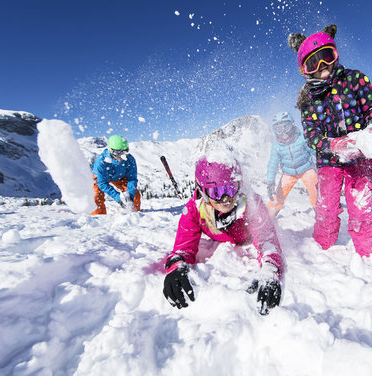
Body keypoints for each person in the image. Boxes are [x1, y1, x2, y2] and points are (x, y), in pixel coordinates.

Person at [287, 24, 372, 257]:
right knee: (326, 207)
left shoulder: (354, 80)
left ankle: (368, 254)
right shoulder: (307, 99)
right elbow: (311, 135)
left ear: (335, 54)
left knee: (360, 207)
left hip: (359, 155)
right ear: (305, 69)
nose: (323, 67)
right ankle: (322, 248)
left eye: (326, 57)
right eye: (314, 62)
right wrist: (331, 145)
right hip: (328, 160)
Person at [163, 152, 282, 315]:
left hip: (246, 238)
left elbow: (267, 241)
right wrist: (176, 266)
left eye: (230, 188)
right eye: (216, 193)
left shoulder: (253, 203)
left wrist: (270, 269)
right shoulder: (193, 210)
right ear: (203, 192)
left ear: (239, 185)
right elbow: (183, 248)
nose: (226, 199)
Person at [266, 111, 318, 218]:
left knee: (315, 189)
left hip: (306, 169)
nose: (283, 132)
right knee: (278, 196)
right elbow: (273, 164)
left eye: (286, 126)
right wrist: (270, 182)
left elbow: (314, 152)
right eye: (278, 129)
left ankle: (321, 212)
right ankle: (268, 216)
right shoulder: (277, 146)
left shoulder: (301, 138)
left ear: (292, 125)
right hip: (288, 173)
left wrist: (324, 163)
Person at [91, 135, 141, 215]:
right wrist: (118, 198)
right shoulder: (101, 161)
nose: (122, 156)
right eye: (118, 153)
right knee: (96, 195)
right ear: (111, 151)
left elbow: (132, 179)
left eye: (125, 152)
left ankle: (135, 214)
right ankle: (98, 217)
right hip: (101, 177)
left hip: (119, 176)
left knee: (135, 195)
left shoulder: (129, 159)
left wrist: (130, 196)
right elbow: (102, 183)